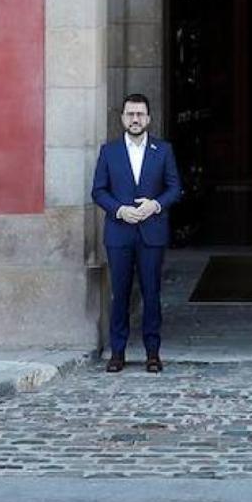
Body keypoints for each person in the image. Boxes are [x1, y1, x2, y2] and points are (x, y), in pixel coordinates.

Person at [91, 93, 181, 373]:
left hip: (151, 233)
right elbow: (98, 191)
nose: (135, 119)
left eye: (140, 114)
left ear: (149, 119)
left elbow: (174, 188)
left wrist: (155, 205)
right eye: (130, 114)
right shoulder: (109, 151)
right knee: (120, 293)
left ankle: (152, 353)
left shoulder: (163, 150)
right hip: (119, 233)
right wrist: (119, 210)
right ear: (122, 118)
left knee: (151, 293)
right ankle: (117, 352)